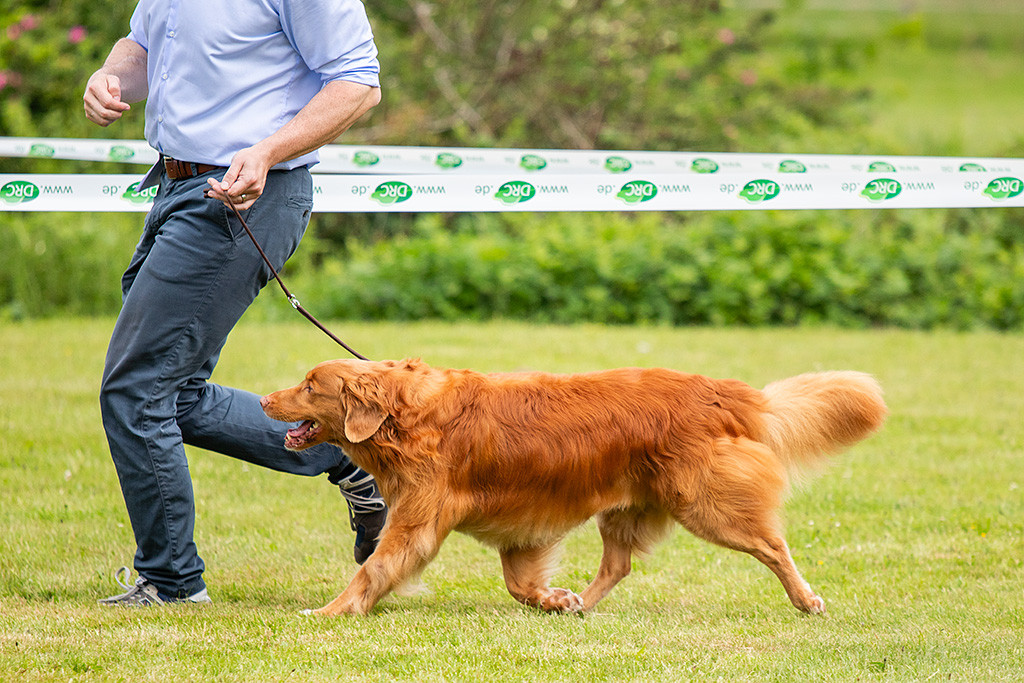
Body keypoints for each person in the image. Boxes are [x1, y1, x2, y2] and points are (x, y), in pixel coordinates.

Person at [83, 0, 386, 606]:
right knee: (176, 397)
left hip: (244, 197)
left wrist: (269, 150)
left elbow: (358, 84)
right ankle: (350, 456)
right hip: (173, 185)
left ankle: (171, 583)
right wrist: (108, 77)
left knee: (138, 391)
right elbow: (141, 47)